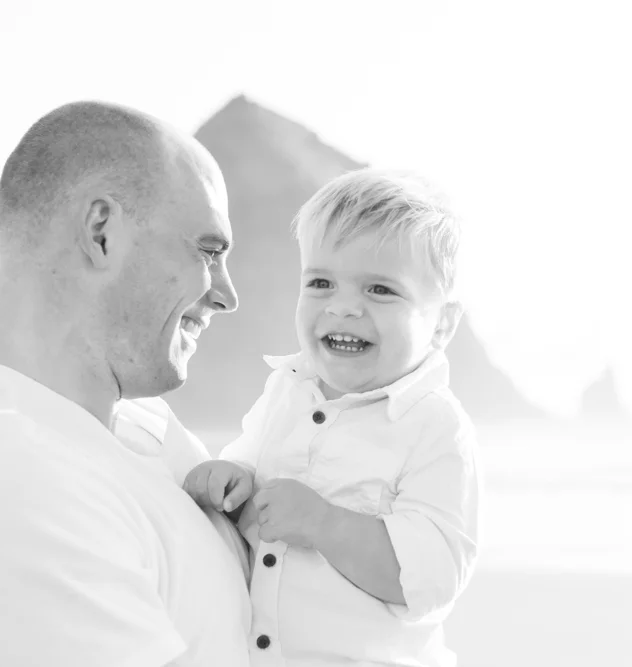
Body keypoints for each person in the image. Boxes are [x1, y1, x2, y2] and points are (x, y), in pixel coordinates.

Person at [0, 101, 251, 666]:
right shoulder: (10, 480)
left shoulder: (148, 429)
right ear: (102, 231)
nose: (228, 295)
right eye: (209, 251)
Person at [183, 168, 482, 667]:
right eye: (321, 282)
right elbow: (249, 472)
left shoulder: (434, 427)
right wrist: (228, 479)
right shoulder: (286, 390)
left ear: (442, 324)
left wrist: (326, 524)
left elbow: (430, 580)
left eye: (380, 290)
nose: (343, 307)